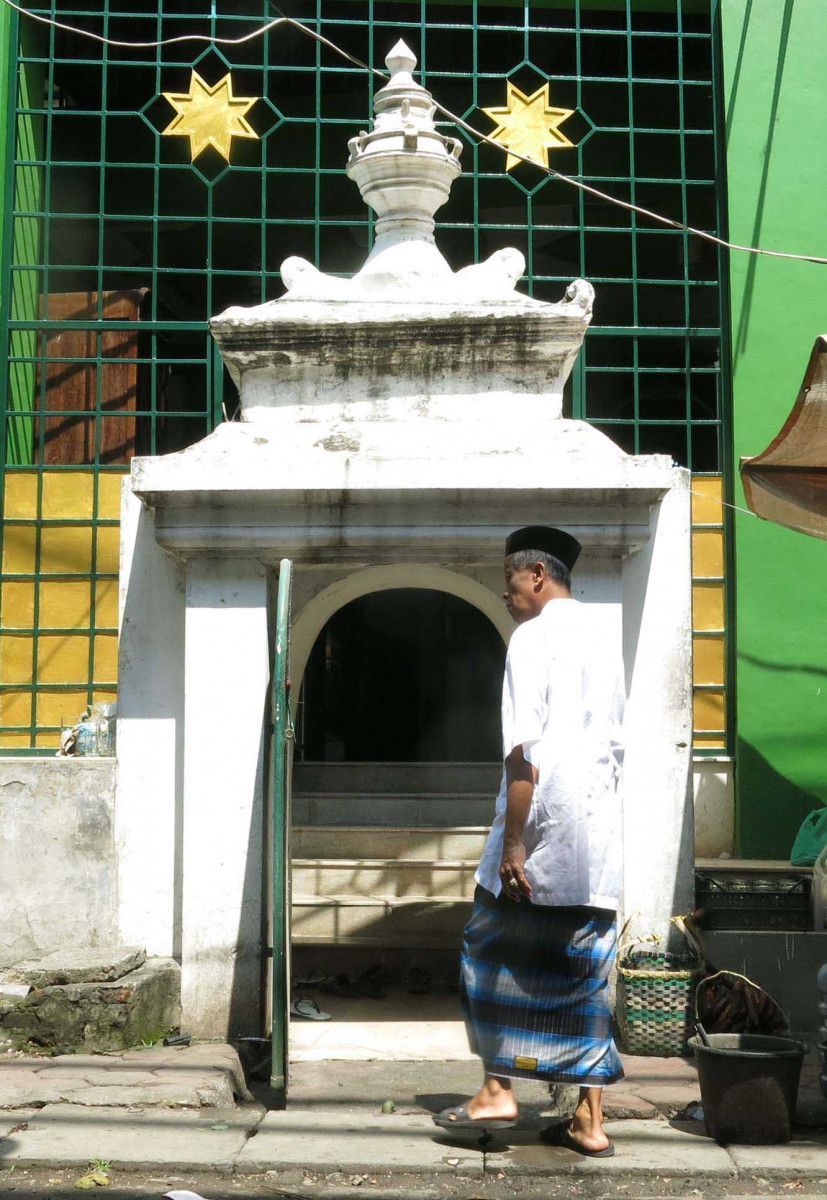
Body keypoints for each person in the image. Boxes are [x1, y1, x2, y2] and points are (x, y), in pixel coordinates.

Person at [434, 525, 625, 1157]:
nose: (509, 595)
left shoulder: (532, 637)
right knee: (584, 972)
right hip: (594, 835)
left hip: (541, 824)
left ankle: (497, 1088)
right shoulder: (604, 634)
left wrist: (514, 843)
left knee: (488, 952)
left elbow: (524, 754)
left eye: (510, 582)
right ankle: (589, 1122)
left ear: (536, 575)